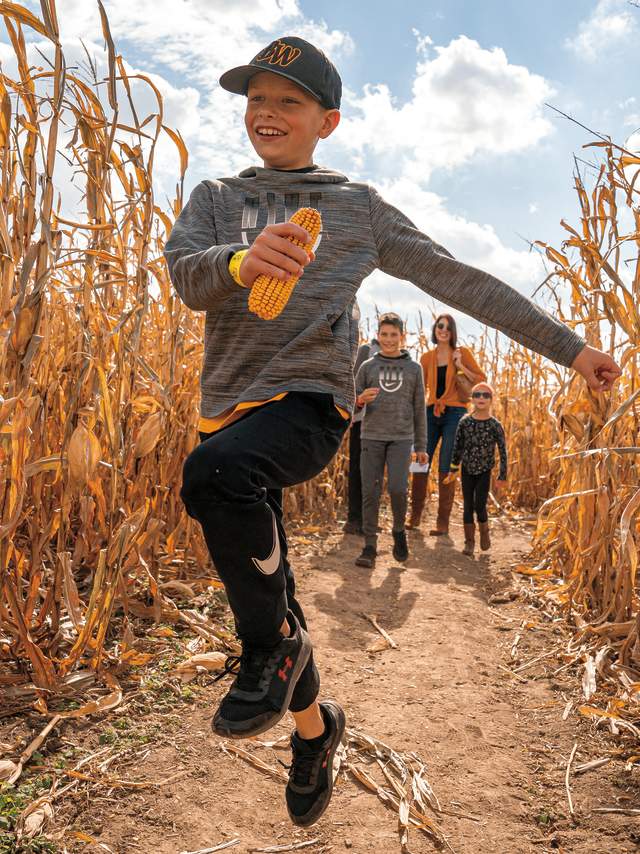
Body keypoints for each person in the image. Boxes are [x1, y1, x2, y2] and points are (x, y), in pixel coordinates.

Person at [164, 35, 620, 828]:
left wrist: (571, 348)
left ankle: (264, 656)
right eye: (256, 100)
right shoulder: (214, 196)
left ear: (326, 121)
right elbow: (184, 276)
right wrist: (241, 262)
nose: (267, 114)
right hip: (226, 410)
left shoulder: (356, 207)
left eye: (289, 102)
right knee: (273, 589)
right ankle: (315, 730)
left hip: (310, 406)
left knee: (212, 481)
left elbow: (461, 281)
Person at [353, 313, 427, 567]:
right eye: (384, 334)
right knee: (370, 491)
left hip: (401, 438)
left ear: (402, 337)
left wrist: (421, 446)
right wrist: (361, 399)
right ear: (377, 335)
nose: (388, 339)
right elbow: (351, 403)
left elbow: (420, 409)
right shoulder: (367, 367)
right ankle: (369, 546)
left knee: (397, 488)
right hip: (371, 435)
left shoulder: (414, 369)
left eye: (393, 335)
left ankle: (398, 530)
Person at [407, 314, 485, 535]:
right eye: (440, 326)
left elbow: (481, 381)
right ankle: (414, 516)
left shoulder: (462, 353)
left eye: (448, 328)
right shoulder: (426, 358)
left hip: (455, 413)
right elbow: (418, 388)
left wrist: (460, 365)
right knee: (419, 461)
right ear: (435, 329)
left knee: (446, 465)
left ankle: (442, 522)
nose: (443, 330)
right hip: (430, 412)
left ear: (452, 333)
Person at [450, 382, 507, 555]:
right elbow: (457, 446)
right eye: (477, 395)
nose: (481, 398)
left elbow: (503, 450)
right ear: (472, 399)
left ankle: (484, 531)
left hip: (484, 470)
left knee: (479, 505)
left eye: (486, 395)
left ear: (491, 400)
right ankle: (469, 542)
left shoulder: (494, 425)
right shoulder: (465, 422)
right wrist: (453, 468)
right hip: (467, 468)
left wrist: (502, 475)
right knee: (468, 504)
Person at [344, 335, 379, 535]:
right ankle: (353, 519)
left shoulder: (398, 359)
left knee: (373, 474)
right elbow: (352, 383)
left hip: (383, 425)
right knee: (357, 469)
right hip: (361, 420)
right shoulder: (366, 351)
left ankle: (369, 521)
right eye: (385, 332)